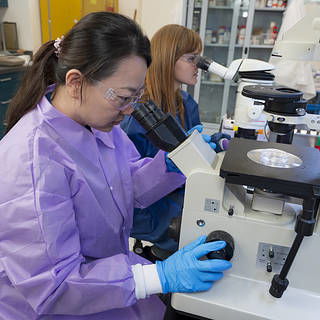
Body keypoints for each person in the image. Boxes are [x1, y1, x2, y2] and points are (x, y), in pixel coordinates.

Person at [0, 12, 232, 320]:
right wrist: (157, 276)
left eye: (136, 96)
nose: (128, 110)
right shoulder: (32, 158)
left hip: (106, 286)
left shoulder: (97, 123)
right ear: (75, 82)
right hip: (60, 306)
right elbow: (52, 285)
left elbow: (125, 184)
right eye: (122, 97)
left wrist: (172, 164)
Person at [121, 24, 230, 258]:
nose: (199, 66)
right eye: (192, 58)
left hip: (179, 191)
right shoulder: (139, 115)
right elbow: (133, 187)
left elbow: (191, 145)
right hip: (151, 207)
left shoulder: (186, 103)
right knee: (203, 233)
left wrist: (213, 142)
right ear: (168, 58)